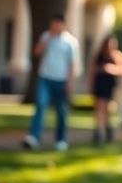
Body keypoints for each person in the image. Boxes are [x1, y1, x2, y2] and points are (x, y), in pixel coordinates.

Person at [24, 13, 81, 151]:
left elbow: (72, 64)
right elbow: (37, 52)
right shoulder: (46, 36)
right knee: (40, 106)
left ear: (63, 24)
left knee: (61, 111)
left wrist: (70, 82)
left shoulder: (70, 42)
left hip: (61, 80)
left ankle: (61, 140)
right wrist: (47, 39)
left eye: (57, 24)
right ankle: (34, 137)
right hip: (45, 77)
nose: (55, 27)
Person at [90, 35, 122, 144]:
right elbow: (92, 71)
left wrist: (111, 69)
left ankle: (107, 128)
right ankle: (99, 131)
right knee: (99, 107)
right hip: (100, 83)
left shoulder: (117, 55)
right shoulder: (99, 56)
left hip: (110, 84)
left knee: (108, 108)